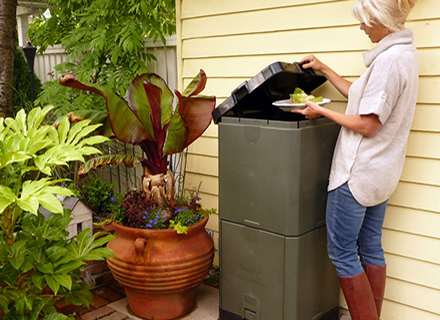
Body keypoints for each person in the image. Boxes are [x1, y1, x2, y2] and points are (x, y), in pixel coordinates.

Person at [291, 0, 419, 319]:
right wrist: (323, 68)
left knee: (343, 253)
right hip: (382, 174)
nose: (361, 27)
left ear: (381, 20)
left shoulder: (389, 62)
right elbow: (360, 96)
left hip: (356, 176)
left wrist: (320, 110)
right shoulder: (405, 54)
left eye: (365, 21)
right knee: (370, 245)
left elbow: (368, 124)